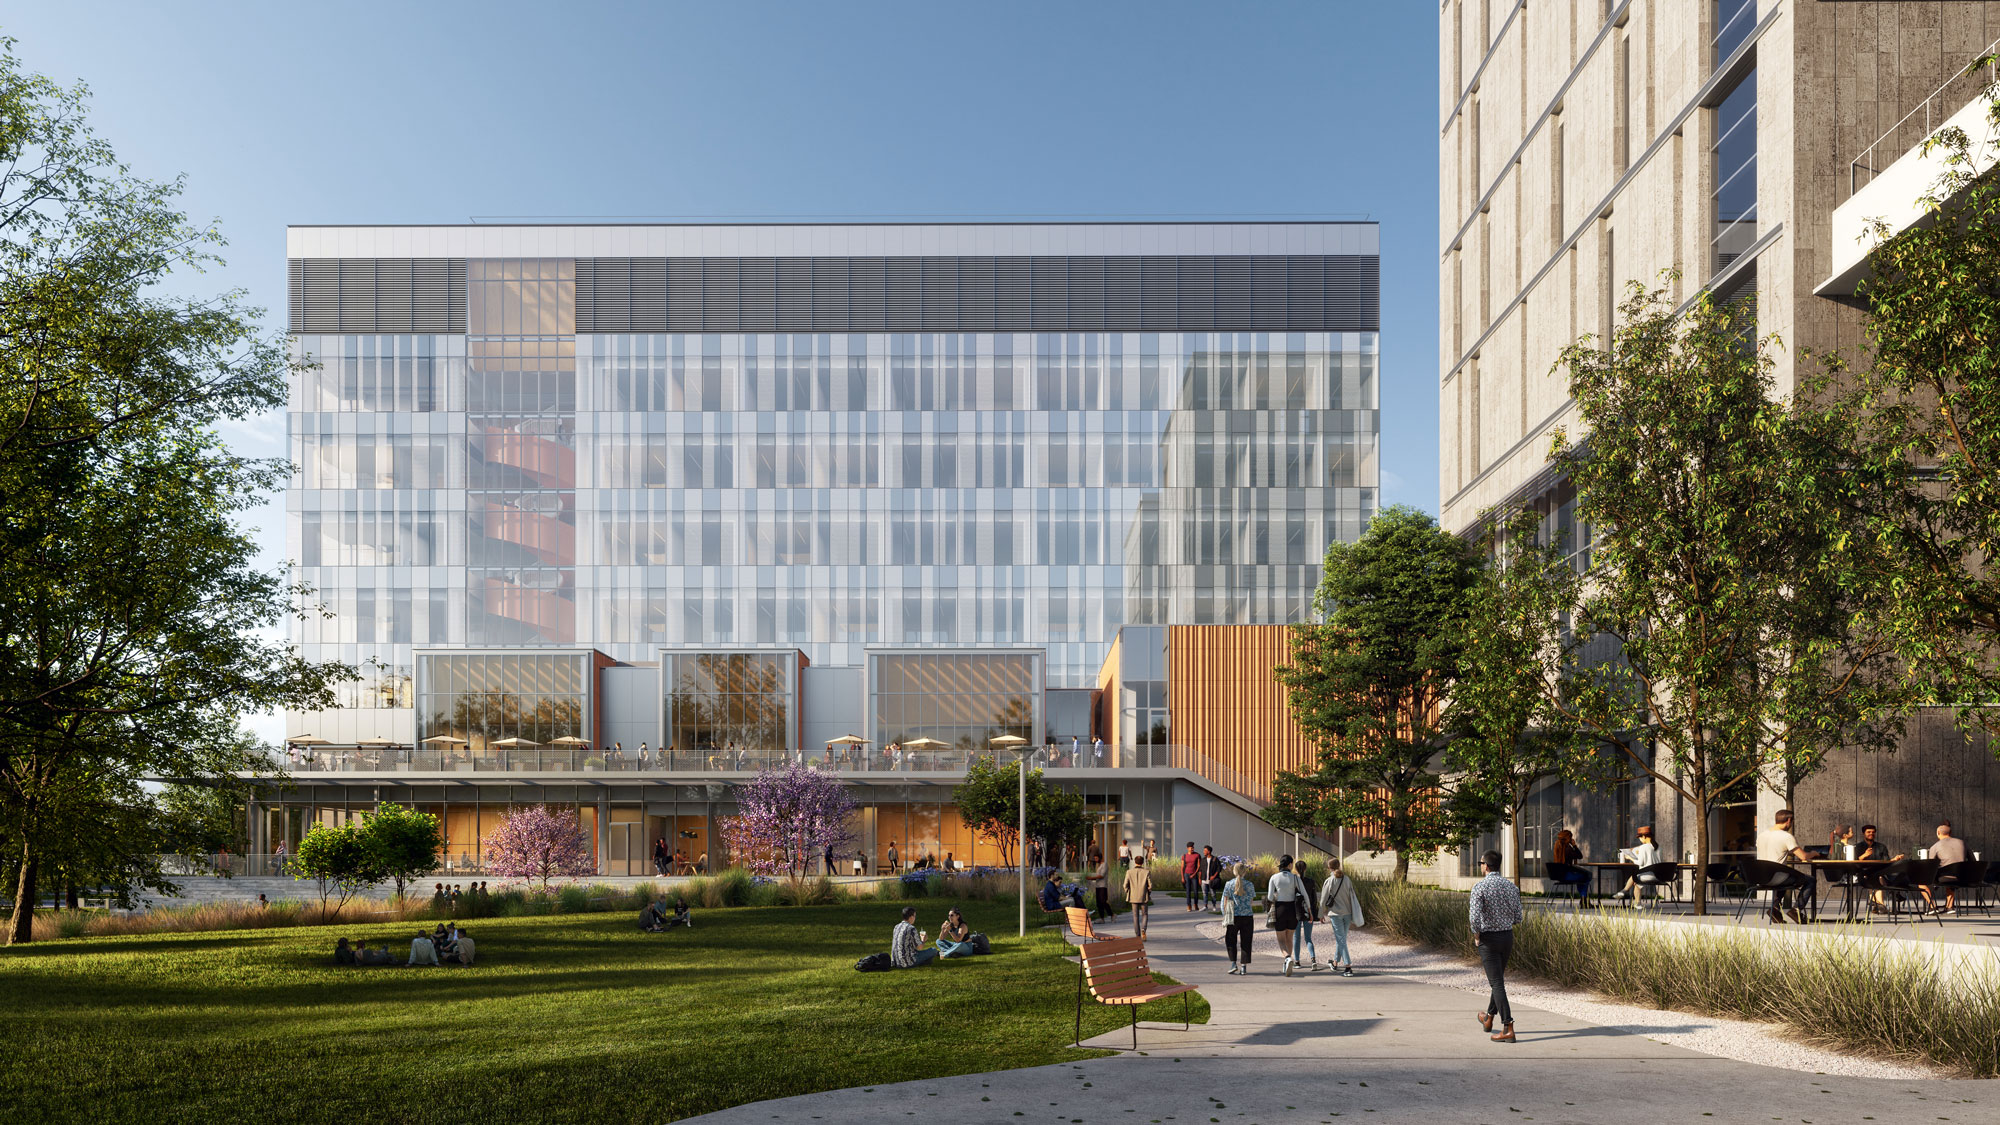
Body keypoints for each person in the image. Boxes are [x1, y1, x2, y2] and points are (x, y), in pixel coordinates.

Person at [1469, 850, 1523, 1042]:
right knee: (1497, 979)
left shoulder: (1479, 887)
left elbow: (1474, 918)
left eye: (1480, 863)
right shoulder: (1511, 887)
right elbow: (1519, 917)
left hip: (1488, 939)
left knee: (1497, 983)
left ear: (1485, 865)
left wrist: (1477, 935)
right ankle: (1489, 1018)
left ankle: (1508, 1026)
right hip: (1507, 937)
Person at [1755, 808, 1816, 924]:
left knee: (1785, 876)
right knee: (1810, 880)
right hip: (1777, 877)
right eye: (1792, 822)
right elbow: (1803, 857)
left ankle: (1775, 909)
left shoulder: (1761, 835)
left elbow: (1773, 850)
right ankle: (1796, 910)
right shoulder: (1786, 836)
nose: (1791, 824)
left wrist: (1788, 852)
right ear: (1788, 820)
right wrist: (1814, 853)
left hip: (1762, 877)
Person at [1317, 858, 1363, 976]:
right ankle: (1335, 963)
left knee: (1341, 939)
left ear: (1329, 868)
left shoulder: (1329, 880)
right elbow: (1352, 896)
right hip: (1347, 913)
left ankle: (1348, 967)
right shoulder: (1347, 879)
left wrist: (1320, 914)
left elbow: (1323, 899)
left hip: (1335, 914)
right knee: (1341, 939)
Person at [1265, 854, 1307, 976]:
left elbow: (1269, 897)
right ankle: (1287, 962)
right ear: (1289, 865)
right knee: (1290, 938)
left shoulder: (1274, 877)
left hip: (1280, 909)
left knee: (1281, 939)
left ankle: (1287, 958)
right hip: (1292, 909)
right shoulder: (1295, 878)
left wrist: (1277, 896)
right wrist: (1309, 910)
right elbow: (1304, 894)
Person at [1611, 826, 1663, 906]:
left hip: (1648, 876)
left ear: (1644, 836)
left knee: (1635, 878)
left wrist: (1630, 858)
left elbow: (1640, 863)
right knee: (1635, 878)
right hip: (1659, 876)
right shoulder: (1659, 847)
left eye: (1640, 837)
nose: (1639, 839)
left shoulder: (1643, 847)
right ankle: (1624, 892)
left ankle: (1633, 900)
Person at [1926, 821, 1970, 914]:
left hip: (1945, 878)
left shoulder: (1935, 846)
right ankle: (1950, 907)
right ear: (1950, 833)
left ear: (1938, 833)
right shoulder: (1962, 843)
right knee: (1951, 872)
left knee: (1922, 880)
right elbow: (1973, 860)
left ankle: (1932, 907)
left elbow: (1930, 866)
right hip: (1963, 877)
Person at [1221, 863, 1258, 975]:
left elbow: (1225, 900)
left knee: (1230, 940)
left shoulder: (1229, 884)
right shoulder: (1250, 884)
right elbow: (1251, 901)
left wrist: (1224, 915)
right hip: (1247, 916)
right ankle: (1243, 966)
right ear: (1244, 872)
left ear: (1234, 871)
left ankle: (1233, 963)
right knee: (1246, 941)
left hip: (1233, 916)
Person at [1292, 860, 1322, 971]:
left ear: (1295, 869)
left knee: (1296, 938)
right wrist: (1313, 913)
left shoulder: (1294, 881)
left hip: (1297, 912)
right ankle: (1313, 959)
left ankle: (1297, 961)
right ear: (1305, 869)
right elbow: (1313, 899)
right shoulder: (1311, 881)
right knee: (1308, 938)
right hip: (1308, 912)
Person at [1549, 829, 1592, 905]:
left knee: (1582, 878)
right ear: (1568, 838)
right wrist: (1574, 845)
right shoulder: (1568, 849)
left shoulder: (1557, 846)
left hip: (1559, 876)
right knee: (1586, 876)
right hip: (1566, 876)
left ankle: (1584, 900)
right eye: (1571, 837)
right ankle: (1584, 901)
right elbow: (1580, 856)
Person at [1122, 854, 1153, 938]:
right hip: (1144, 896)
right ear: (1142, 863)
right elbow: (1150, 885)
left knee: (1135, 916)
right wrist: (1148, 892)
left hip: (1133, 896)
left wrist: (1128, 892)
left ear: (1135, 862)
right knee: (1145, 914)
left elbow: (1125, 885)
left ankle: (1137, 934)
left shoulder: (1129, 872)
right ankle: (1143, 929)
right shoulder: (1147, 872)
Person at [1089, 849, 1111, 920]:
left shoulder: (1104, 865)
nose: (1095, 860)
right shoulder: (1099, 866)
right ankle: (1102, 918)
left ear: (1100, 858)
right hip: (1098, 886)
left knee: (1103, 902)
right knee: (1099, 903)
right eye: (1094, 858)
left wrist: (1091, 878)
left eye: (1096, 858)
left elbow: (1102, 875)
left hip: (1103, 886)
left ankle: (1111, 914)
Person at [1202, 846, 1224, 912]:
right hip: (1204, 879)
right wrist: (1200, 879)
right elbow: (1200, 869)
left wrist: (1214, 876)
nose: (1204, 852)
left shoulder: (1215, 859)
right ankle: (1205, 906)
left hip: (1212, 880)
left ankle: (1214, 906)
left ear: (1209, 851)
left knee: (1213, 894)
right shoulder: (1203, 859)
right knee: (1204, 893)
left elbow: (1219, 868)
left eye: (1205, 850)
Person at [1181, 843, 1201, 912]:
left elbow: (1198, 866)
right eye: (1191, 848)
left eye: (1193, 847)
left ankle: (1196, 904)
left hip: (1194, 875)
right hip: (1186, 874)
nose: (1192, 849)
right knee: (1188, 891)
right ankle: (1189, 905)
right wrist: (1182, 877)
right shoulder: (1184, 856)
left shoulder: (1197, 855)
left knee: (1195, 891)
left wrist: (1194, 874)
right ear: (1187, 848)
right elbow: (1182, 867)